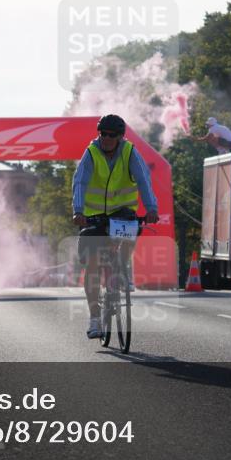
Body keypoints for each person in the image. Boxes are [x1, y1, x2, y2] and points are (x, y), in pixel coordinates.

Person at [72, 114, 158, 339]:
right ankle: (94, 318)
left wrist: (151, 208)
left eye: (113, 135)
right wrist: (78, 211)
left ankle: (123, 269)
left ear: (121, 136)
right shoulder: (91, 153)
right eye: (103, 134)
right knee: (92, 265)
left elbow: (143, 180)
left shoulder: (129, 152)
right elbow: (80, 181)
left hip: (122, 211)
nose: (107, 139)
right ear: (99, 133)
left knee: (131, 230)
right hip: (94, 215)